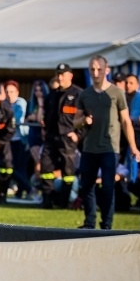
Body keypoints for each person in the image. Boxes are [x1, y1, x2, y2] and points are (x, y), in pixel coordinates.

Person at [74, 55, 140, 230]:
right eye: (92, 69)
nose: (95, 72)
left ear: (107, 70)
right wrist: (83, 122)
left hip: (110, 148)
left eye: (99, 69)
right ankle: (89, 223)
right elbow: (75, 121)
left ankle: (107, 225)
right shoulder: (84, 94)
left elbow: (126, 121)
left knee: (108, 187)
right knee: (86, 186)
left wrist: (133, 147)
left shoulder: (117, 93)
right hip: (89, 147)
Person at [40, 63, 83, 209]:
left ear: (70, 76)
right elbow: (47, 114)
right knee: (46, 167)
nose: (60, 77)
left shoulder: (79, 94)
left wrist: (78, 135)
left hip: (68, 138)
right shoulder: (52, 94)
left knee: (68, 172)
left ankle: (64, 203)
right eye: (58, 74)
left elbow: (87, 118)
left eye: (63, 74)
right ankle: (47, 200)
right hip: (52, 136)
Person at [3, 80, 31, 199]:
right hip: (8, 140)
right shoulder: (3, 103)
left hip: (20, 140)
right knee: (10, 167)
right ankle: (25, 190)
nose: (10, 94)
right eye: (7, 91)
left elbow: (17, 120)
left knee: (20, 168)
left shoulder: (20, 103)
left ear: (17, 92)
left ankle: (26, 190)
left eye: (12, 91)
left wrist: (6, 121)